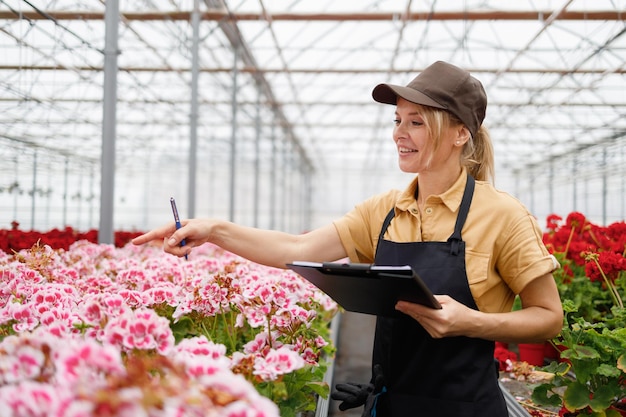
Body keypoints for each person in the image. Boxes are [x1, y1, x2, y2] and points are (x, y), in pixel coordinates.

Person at [132, 61, 563, 417]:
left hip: (467, 408)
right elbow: (297, 250)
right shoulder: (384, 211)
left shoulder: (502, 215)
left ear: (460, 133)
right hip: (390, 406)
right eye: (398, 120)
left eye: (416, 122)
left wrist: (474, 322)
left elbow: (548, 317)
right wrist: (212, 230)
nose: (399, 133)